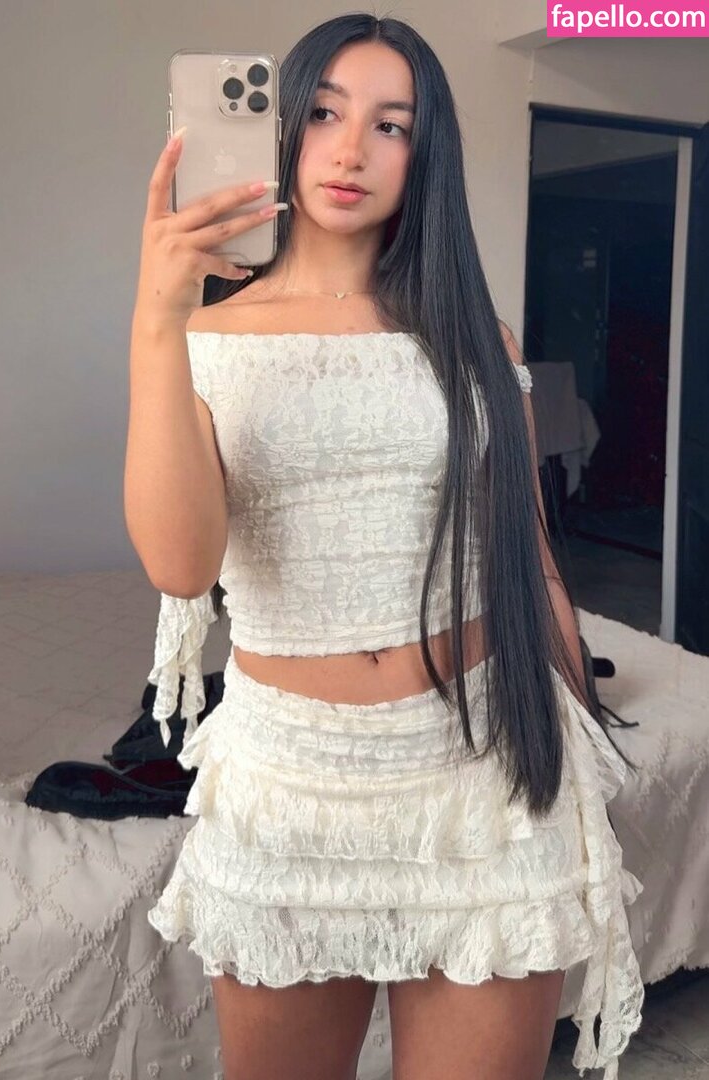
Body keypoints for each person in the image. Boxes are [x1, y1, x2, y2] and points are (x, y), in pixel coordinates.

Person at [125, 13, 645, 1080]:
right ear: (282, 130)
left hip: (480, 777)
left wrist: (584, 740)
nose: (351, 149)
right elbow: (181, 567)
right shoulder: (207, 339)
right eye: (322, 113)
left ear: (425, 152)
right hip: (290, 789)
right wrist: (155, 320)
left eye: (391, 124)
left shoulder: (479, 340)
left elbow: (529, 555)